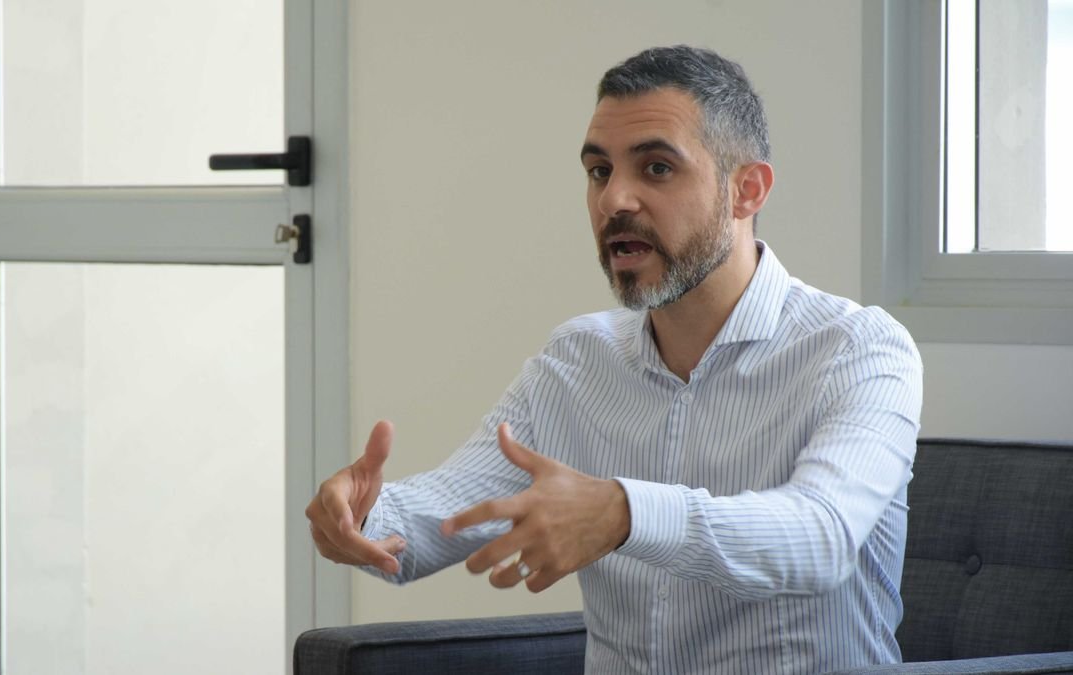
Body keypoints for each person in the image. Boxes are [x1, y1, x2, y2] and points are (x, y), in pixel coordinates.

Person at [305, 45, 922, 674]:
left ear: (746, 190)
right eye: (599, 171)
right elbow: (451, 513)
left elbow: (821, 537)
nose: (614, 200)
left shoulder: (859, 349)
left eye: (656, 168)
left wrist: (626, 513)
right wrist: (361, 516)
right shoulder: (578, 359)